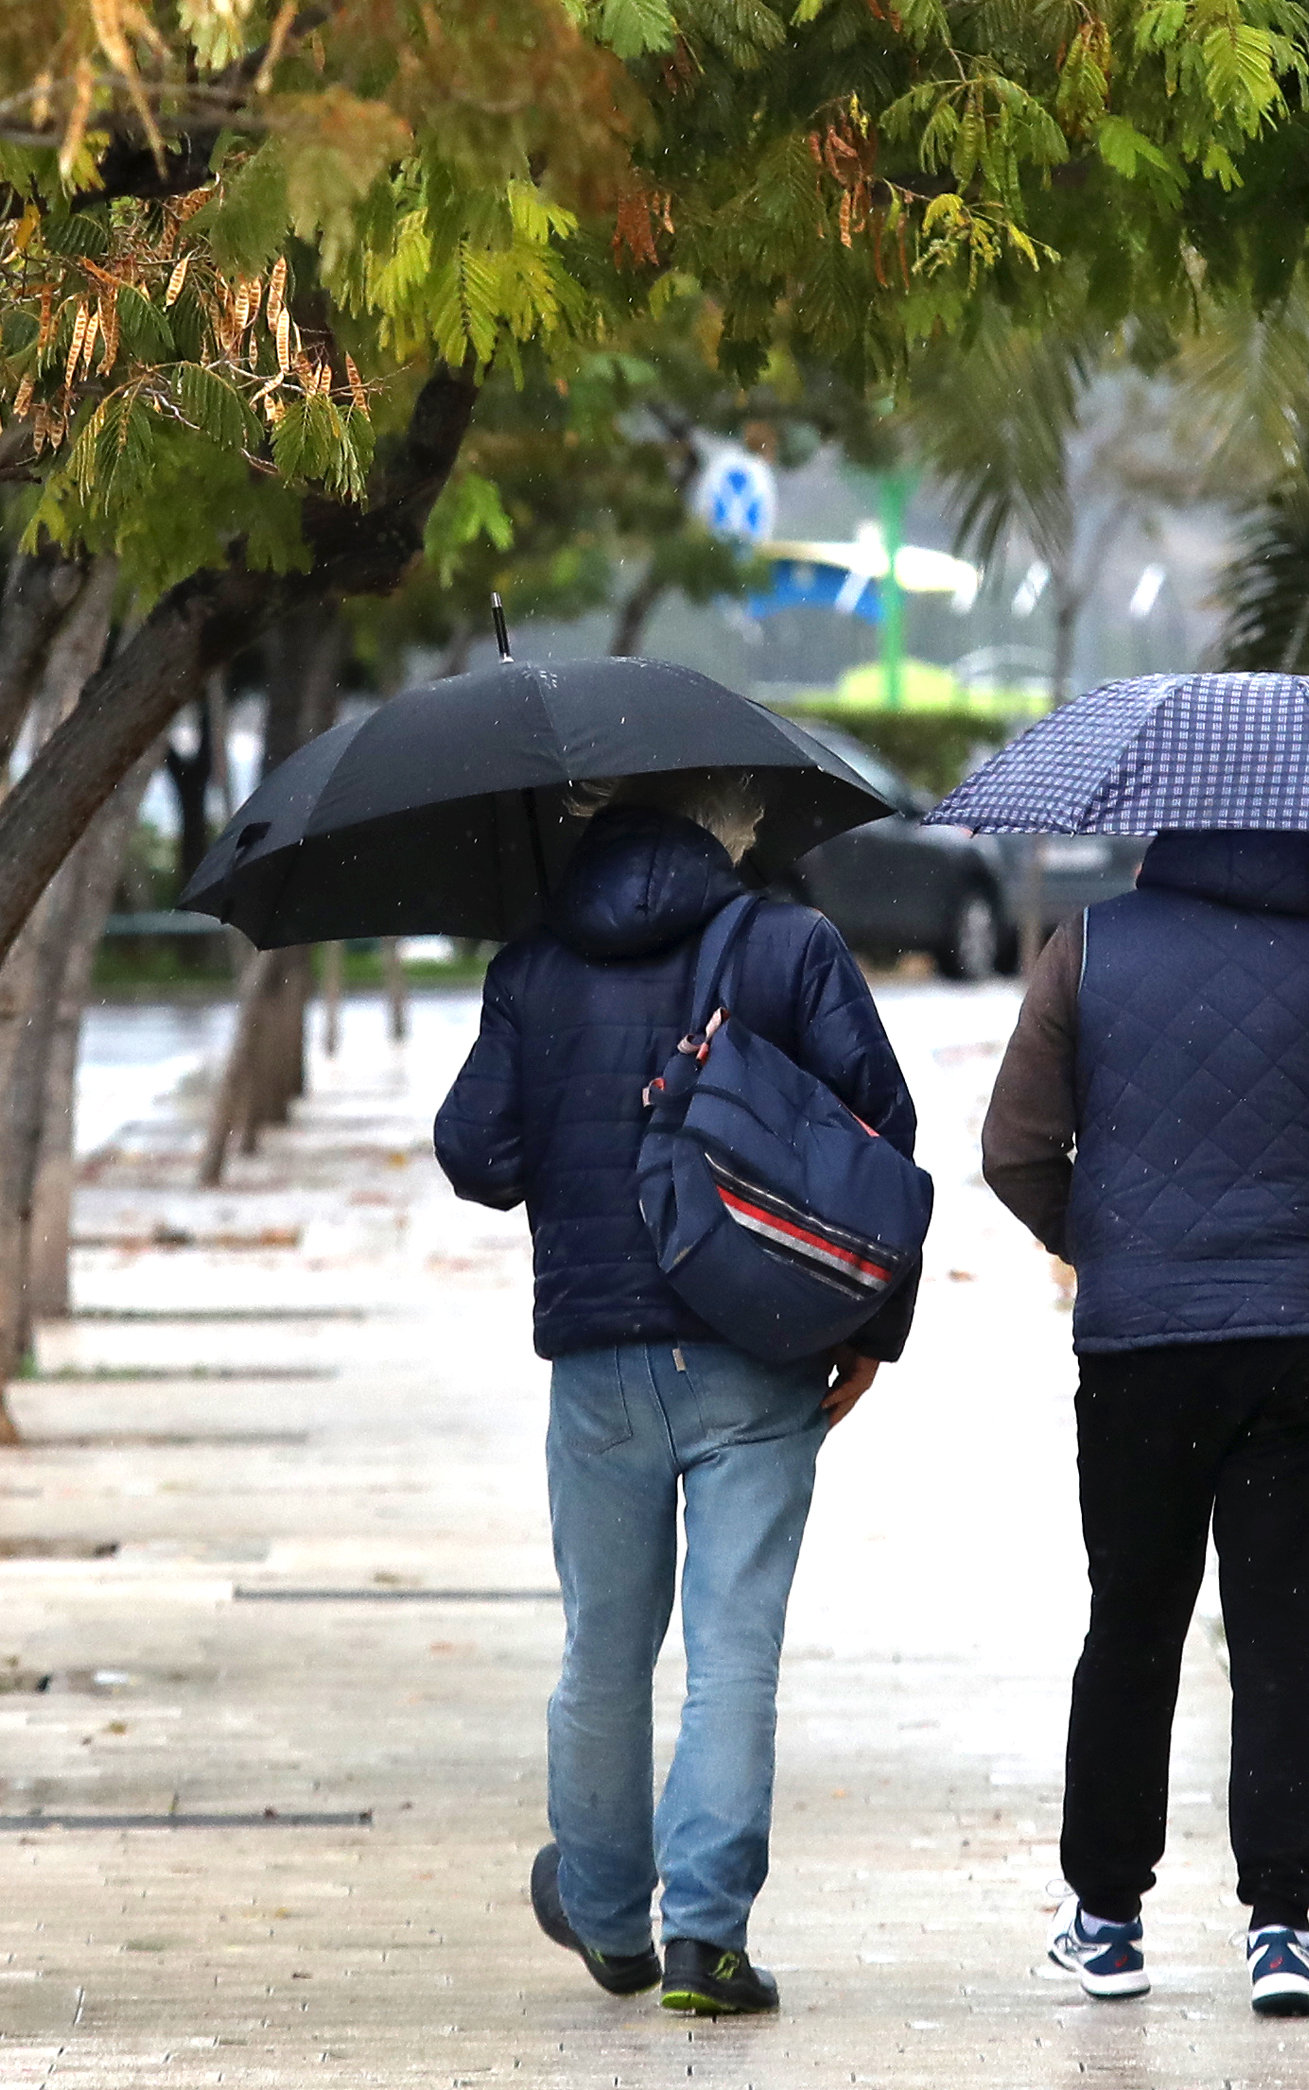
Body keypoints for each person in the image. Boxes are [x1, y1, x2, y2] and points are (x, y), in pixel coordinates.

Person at [434, 767, 920, 2020]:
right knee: (730, 1656)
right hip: (756, 1350)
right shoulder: (789, 944)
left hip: (595, 1358)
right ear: (730, 820)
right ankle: (705, 1938)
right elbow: (882, 1141)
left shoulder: (533, 964)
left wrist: (567, 1107)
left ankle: (604, 1914)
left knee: (603, 1647)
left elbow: (474, 1154)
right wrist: (875, 1330)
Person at [976, 825, 1309, 2016]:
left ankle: (1107, 1920)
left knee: (1132, 1623)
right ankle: (1280, 1928)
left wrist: (1099, 1242)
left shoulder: (1085, 947)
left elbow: (1011, 1147)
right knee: (1281, 1635)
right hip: (1302, 1335)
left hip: (1140, 1346)